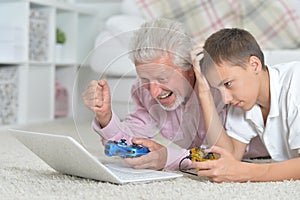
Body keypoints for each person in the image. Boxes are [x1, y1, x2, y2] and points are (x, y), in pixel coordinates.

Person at [82, 19, 263, 171]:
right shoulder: (144, 92)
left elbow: (224, 156)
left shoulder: (224, 88)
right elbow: (131, 140)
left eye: (163, 77)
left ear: (189, 70)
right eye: (144, 78)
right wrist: (105, 117)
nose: (153, 92)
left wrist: (168, 158)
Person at [191, 28, 300, 182]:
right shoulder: (246, 101)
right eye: (218, 89)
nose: (226, 99)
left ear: (254, 65)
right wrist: (204, 94)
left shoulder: (296, 83)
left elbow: (237, 168)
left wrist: (247, 172)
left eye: (228, 84)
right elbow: (229, 156)